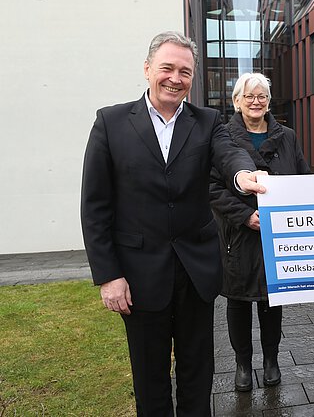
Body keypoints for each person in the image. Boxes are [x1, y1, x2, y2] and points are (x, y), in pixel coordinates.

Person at [80, 31, 265, 415]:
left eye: (185, 71)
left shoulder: (208, 121)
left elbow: (229, 153)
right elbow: (95, 206)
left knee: (198, 371)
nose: (175, 78)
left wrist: (243, 175)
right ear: (148, 69)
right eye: (167, 68)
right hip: (138, 274)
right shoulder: (110, 123)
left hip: (196, 270)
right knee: (150, 376)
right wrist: (108, 275)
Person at [209, 72, 310, 392]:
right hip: (239, 236)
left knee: (272, 301)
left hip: (278, 237)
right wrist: (245, 215)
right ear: (236, 101)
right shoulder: (222, 137)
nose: (256, 101)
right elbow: (211, 187)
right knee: (238, 303)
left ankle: (271, 360)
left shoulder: (288, 136)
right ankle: (242, 364)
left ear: (269, 101)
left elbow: (302, 180)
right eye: (248, 96)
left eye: (262, 96)